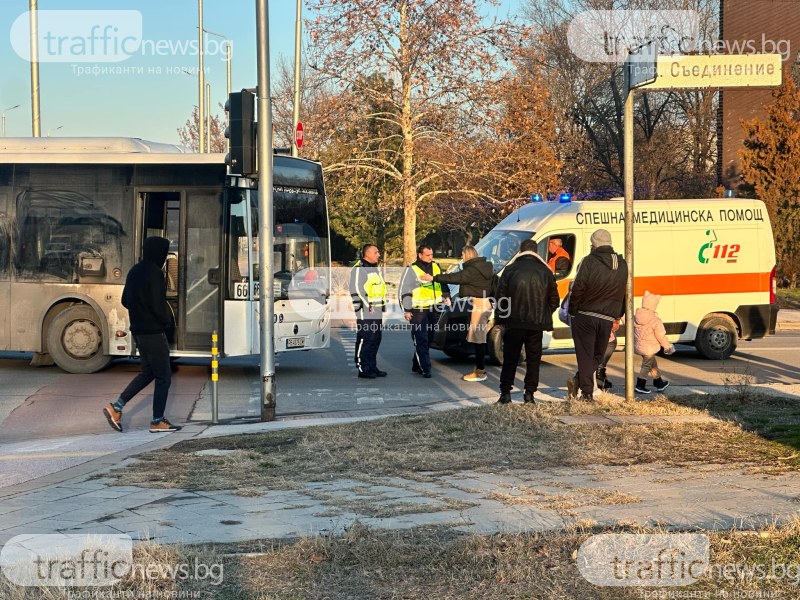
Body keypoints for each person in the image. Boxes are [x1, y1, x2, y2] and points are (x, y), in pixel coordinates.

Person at [103, 237, 181, 433]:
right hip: (154, 332)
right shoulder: (155, 273)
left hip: (138, 330)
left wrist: (139, 310)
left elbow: (125, 300)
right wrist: (166, 322)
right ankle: (157, 420)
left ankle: (116, 407)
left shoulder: (134, 270)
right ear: (160, 253)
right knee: (164, 376)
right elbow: (158, 305)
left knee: (147, 373)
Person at [495, 239, 560, 404]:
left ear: (521, 251)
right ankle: (529, 394)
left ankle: (505, 393)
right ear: (536, 252)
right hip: (536, 324)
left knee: (510, 358)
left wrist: (500, 319)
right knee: (533, 360)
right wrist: (544, 313)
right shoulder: (546, 272)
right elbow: (554, 300)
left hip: (513, 322)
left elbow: (501, 298)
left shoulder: (509, 270)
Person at [567, 229, 627, 402]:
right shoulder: (621, 263)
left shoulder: (589, 261)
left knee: (586, 355)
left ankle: (583, 388)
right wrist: (618, 314)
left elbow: (578, 287)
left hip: (585, 314)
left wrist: (573, 310)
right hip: (607, 317)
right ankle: (585, 389)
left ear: (594, 244)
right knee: (598, 355)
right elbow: (623, 290)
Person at [424, 245, 494, 382]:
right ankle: (479, 369)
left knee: (479, 339)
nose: (461, 257)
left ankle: (480, 372)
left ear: (467, 255)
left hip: (479, 305)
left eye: (462, 255)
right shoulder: (484, 267)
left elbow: (455, 277)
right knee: (477, 337)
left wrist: (433, 278)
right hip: (483, 303)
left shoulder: (473, 270)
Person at [398, 245, 450, 378]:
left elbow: (442, 283)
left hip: (434, 308)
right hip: (417, 310)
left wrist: (447, 296)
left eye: (432, 254)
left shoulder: (436, 266)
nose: (430, 257)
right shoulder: (412, 269)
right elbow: (404, 291)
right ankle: (426, 368)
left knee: (429, 338)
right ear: (420, 255)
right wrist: (407, 310)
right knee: (421, 339)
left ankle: (417, 364)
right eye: (428, 255)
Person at [350, 244, 388, 379]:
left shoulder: (374, 268)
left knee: (375, 338)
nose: (378, 254)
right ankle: (363, 368)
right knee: (366, 338)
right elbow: (356, 289)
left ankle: (372, 366)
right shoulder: (359, 269)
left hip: (376, 309)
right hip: (365, 310)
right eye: (376, 252)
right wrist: (368, 304)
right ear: (367, 254)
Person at [634, 291, 674, 394]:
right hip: (650, 347)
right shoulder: (655, 320)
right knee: (646, 365)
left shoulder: (635, 317)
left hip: (640, 346)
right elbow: (661, 336)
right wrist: (667, 347)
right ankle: (640, 385)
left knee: (653, 364)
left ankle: (659, 383)